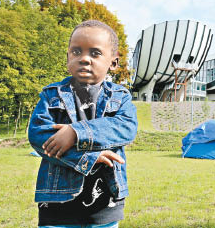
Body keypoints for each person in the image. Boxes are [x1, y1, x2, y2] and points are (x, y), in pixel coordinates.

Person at [28, 20, 138, 228]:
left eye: (95, 53)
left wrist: (76, 132)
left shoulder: (121, 96)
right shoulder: (52, 95)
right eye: (76, 52)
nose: (84, 59)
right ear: (68, 57)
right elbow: (37, 135)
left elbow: (126, 127)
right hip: (57, 202)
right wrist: (88, 157)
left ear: (113, 62)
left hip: (106, 201)